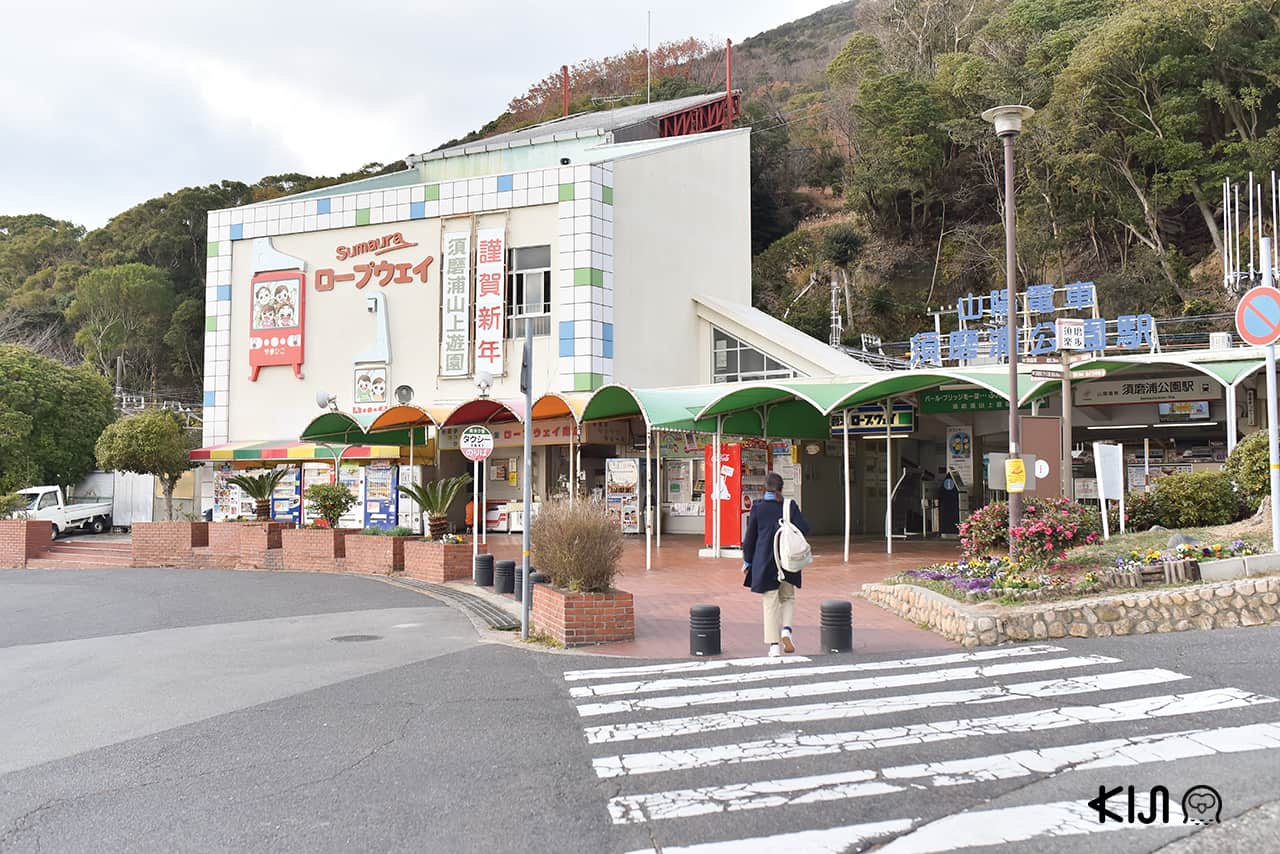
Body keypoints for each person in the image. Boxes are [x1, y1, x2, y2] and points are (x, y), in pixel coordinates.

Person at [742, 471, 811, 657]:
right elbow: (805, 529)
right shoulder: (790, 506)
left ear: (765, 487)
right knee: (787, 597)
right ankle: (786, 630)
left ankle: (774, 646)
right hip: (788, 560)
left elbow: (750, 538)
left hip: (765, 561)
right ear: (781, 488)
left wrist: (747, 560)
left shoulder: (758, 508)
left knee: (770, 602)